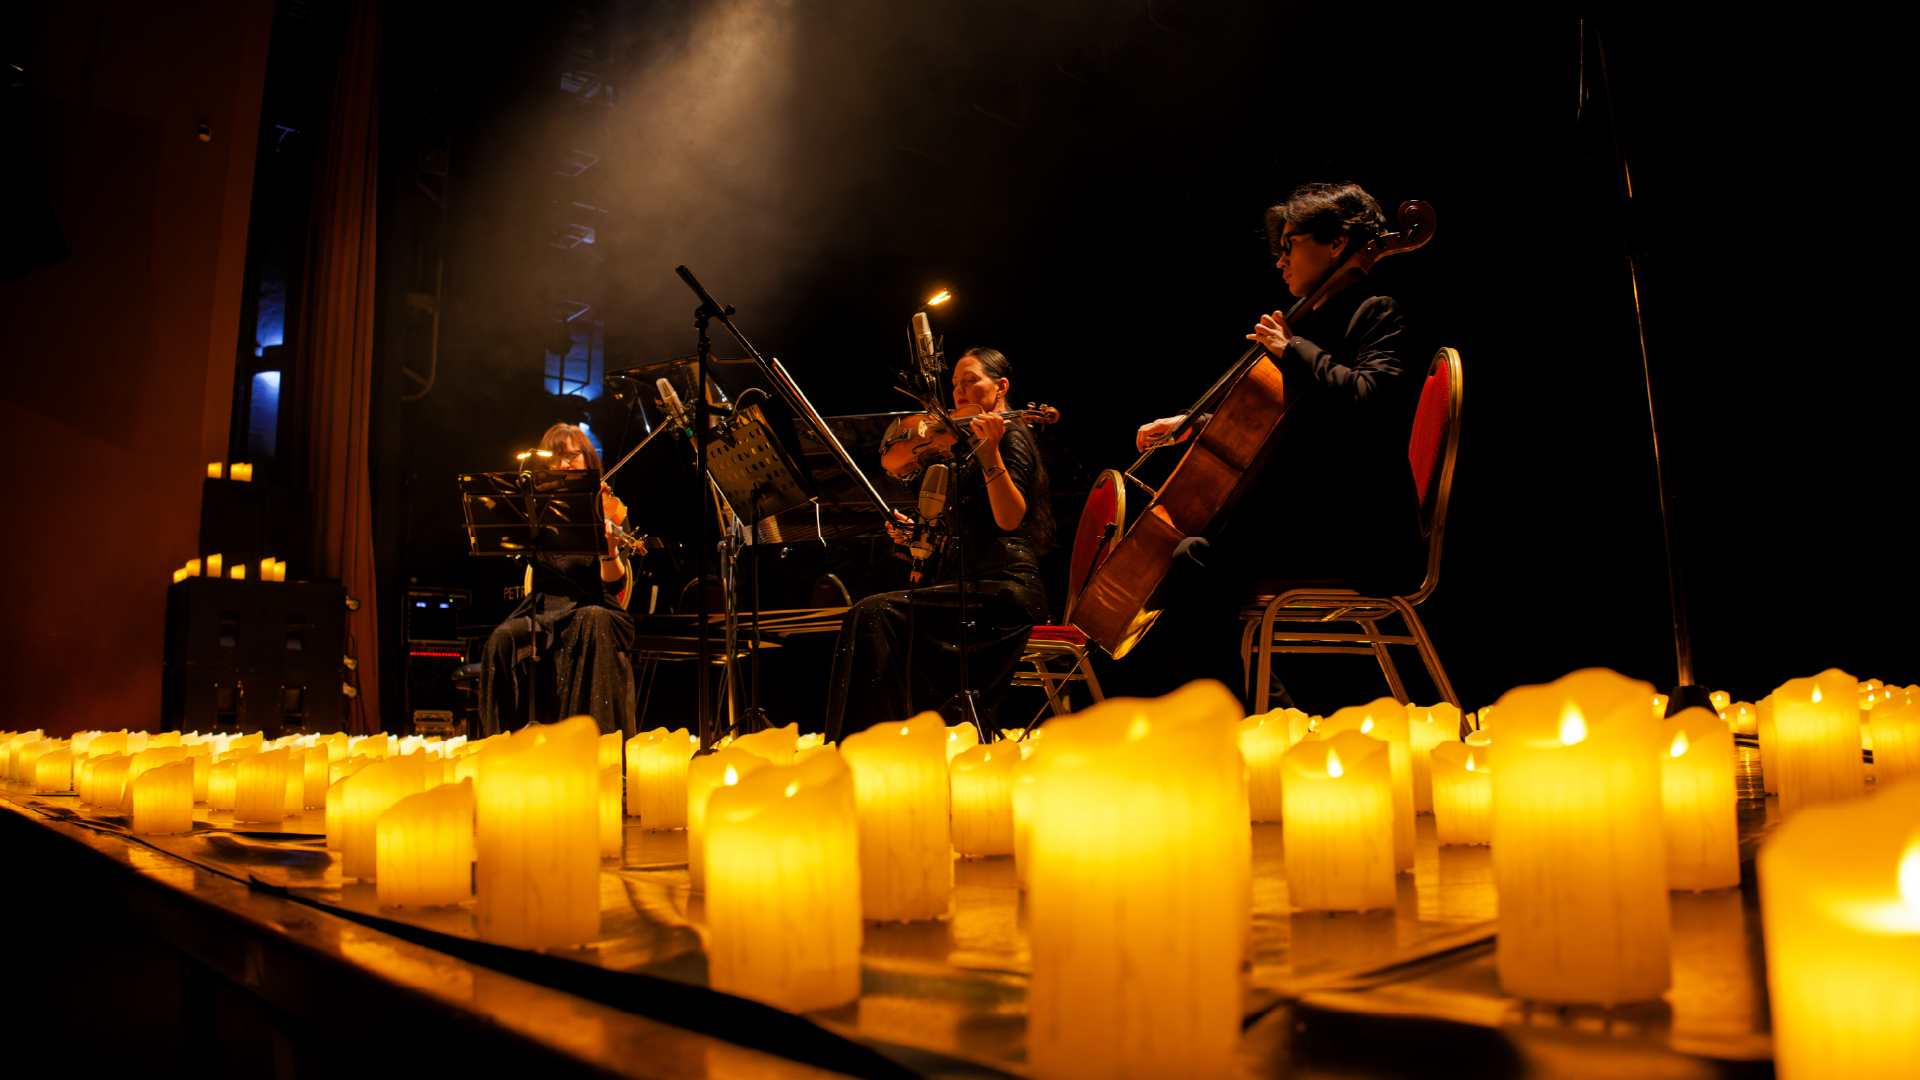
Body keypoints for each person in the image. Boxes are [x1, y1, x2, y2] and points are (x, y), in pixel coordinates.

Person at [1132, 182, 1427, 708]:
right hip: (1310, 520)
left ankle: (1233, 717)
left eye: (1290, 244)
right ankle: (1263, 711)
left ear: (1337, 243)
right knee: (1193, 549)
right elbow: (1266, 419)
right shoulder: (1310, 323)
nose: (1281, 262)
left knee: (1195, 559)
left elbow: (1371, 401)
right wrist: (1194, 423)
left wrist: (1294, 349)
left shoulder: (1376, 312)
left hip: (1361, 530)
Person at [825, 348, 1055, 741]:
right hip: (966, 584)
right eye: (955, 384)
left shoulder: (1009, 435)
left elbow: (1008, 518)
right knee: (870, 613)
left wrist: (991, 451)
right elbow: (963, 528)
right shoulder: (960, 447)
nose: (960, 391)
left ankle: (877, 748)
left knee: (874, 613)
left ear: (1000, 387)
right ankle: (894, 743)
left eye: (971, 380)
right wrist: (915, 532)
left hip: (1004, 590)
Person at [478, 423, 636, 735]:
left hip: (591, 602)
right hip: (543, 606)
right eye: (555, 458)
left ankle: (589, 742)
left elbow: (615, 583)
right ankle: (502, 746)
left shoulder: (607, 506)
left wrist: (608, 551)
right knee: (502, 638)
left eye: (571, 456)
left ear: (588, 459)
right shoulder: (536, 506)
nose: (562, 465)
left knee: (592, 620)